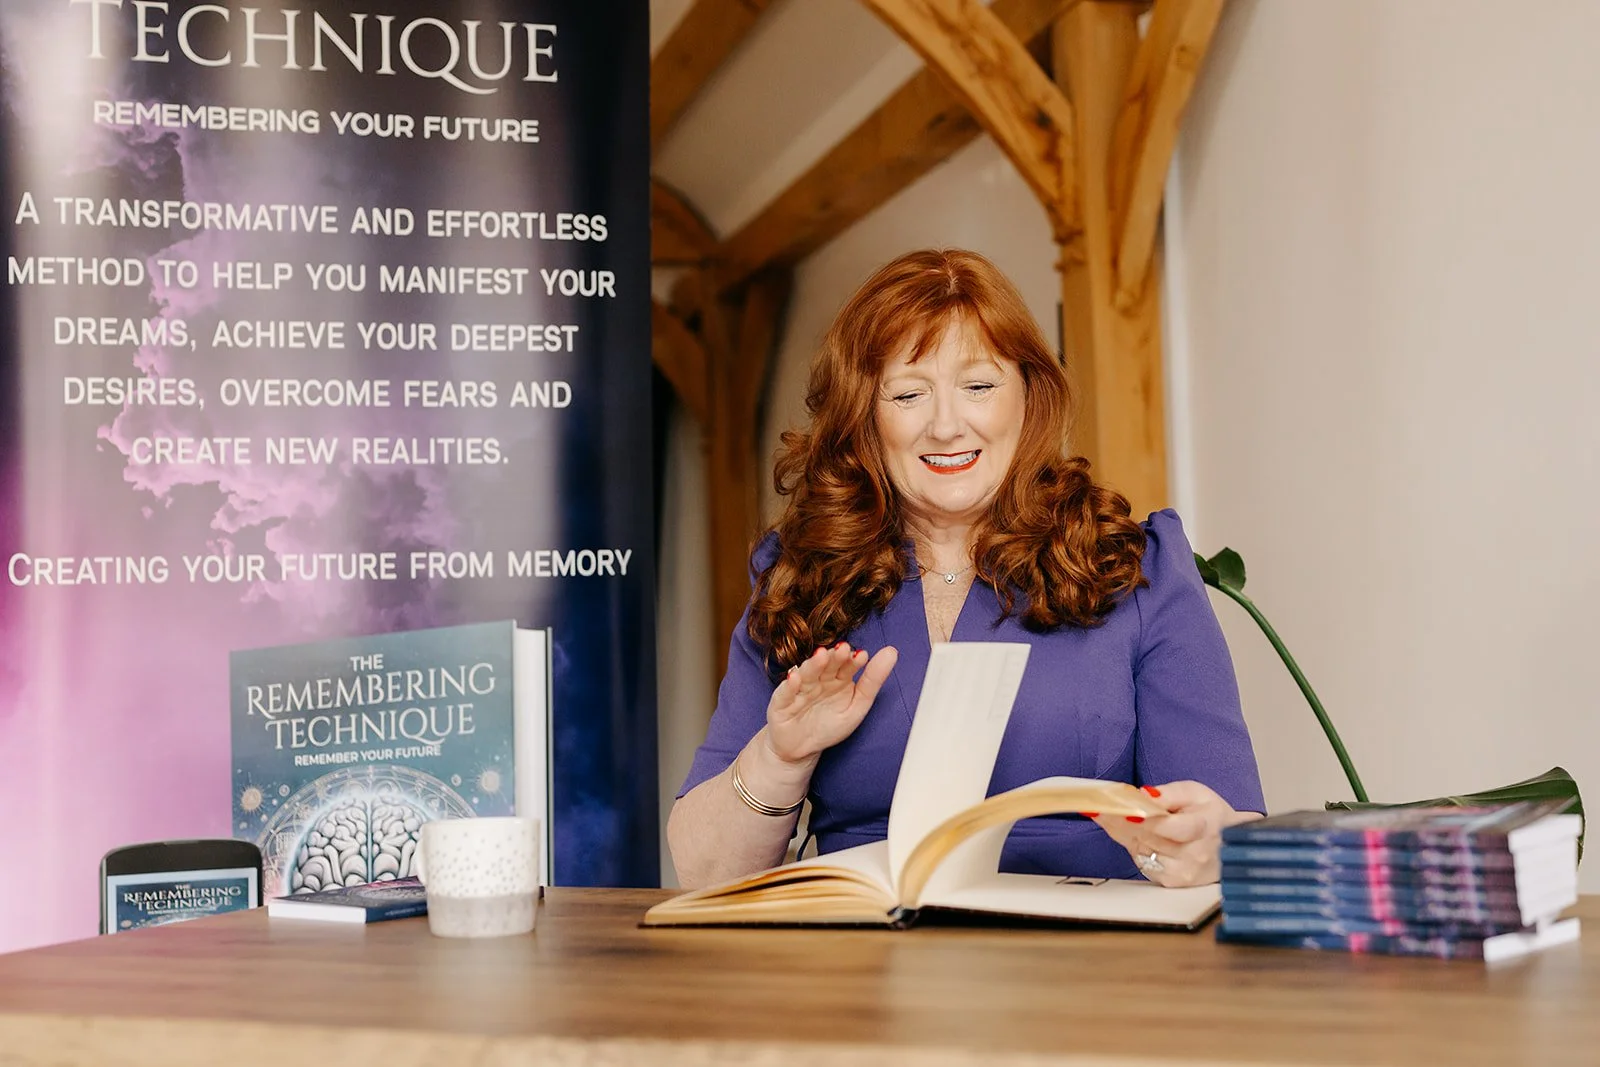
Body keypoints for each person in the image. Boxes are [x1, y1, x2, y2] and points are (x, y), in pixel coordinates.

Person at [667, 248, 1264, 891]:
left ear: (1028, 395)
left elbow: (1228, 830)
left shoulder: (1135, 569)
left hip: (1091, 967)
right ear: (864, 415)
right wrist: (782, 755)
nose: (947, 426)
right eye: (908, 393)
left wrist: (1205, 846)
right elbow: (703, 869)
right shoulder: (802, 577)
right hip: (863, 967)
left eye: (979, 387)